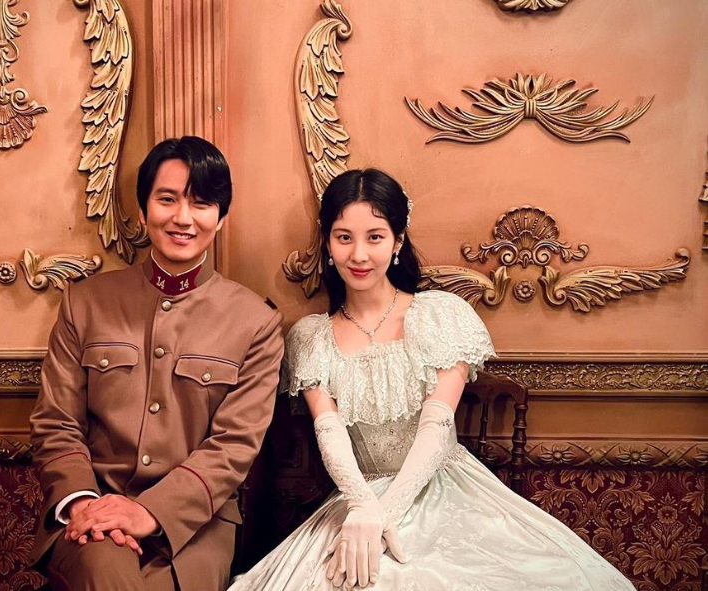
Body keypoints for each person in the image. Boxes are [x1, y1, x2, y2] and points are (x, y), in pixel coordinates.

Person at [228, 169, 634, 590]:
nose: (359, 254)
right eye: (344, 237)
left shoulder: (438, 316)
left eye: (375, 237)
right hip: (357, 494)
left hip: (443, 485)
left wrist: (384, 516)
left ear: (398, 241)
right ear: (327, 243)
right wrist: (363, 508)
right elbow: (329, 432)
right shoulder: (313, 337)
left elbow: (436, 427)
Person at [28, 136, 284, 591]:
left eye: (201, 203)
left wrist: (149, 511)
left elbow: (234, 445)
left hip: (196, 526)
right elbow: (56, 423)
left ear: (221, 217)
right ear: (144, 211)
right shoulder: (84, 303)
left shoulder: (256, 322)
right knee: (106, 573)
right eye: (167, 199)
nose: (183, 217)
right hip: (94, 511)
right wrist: (84, 503)